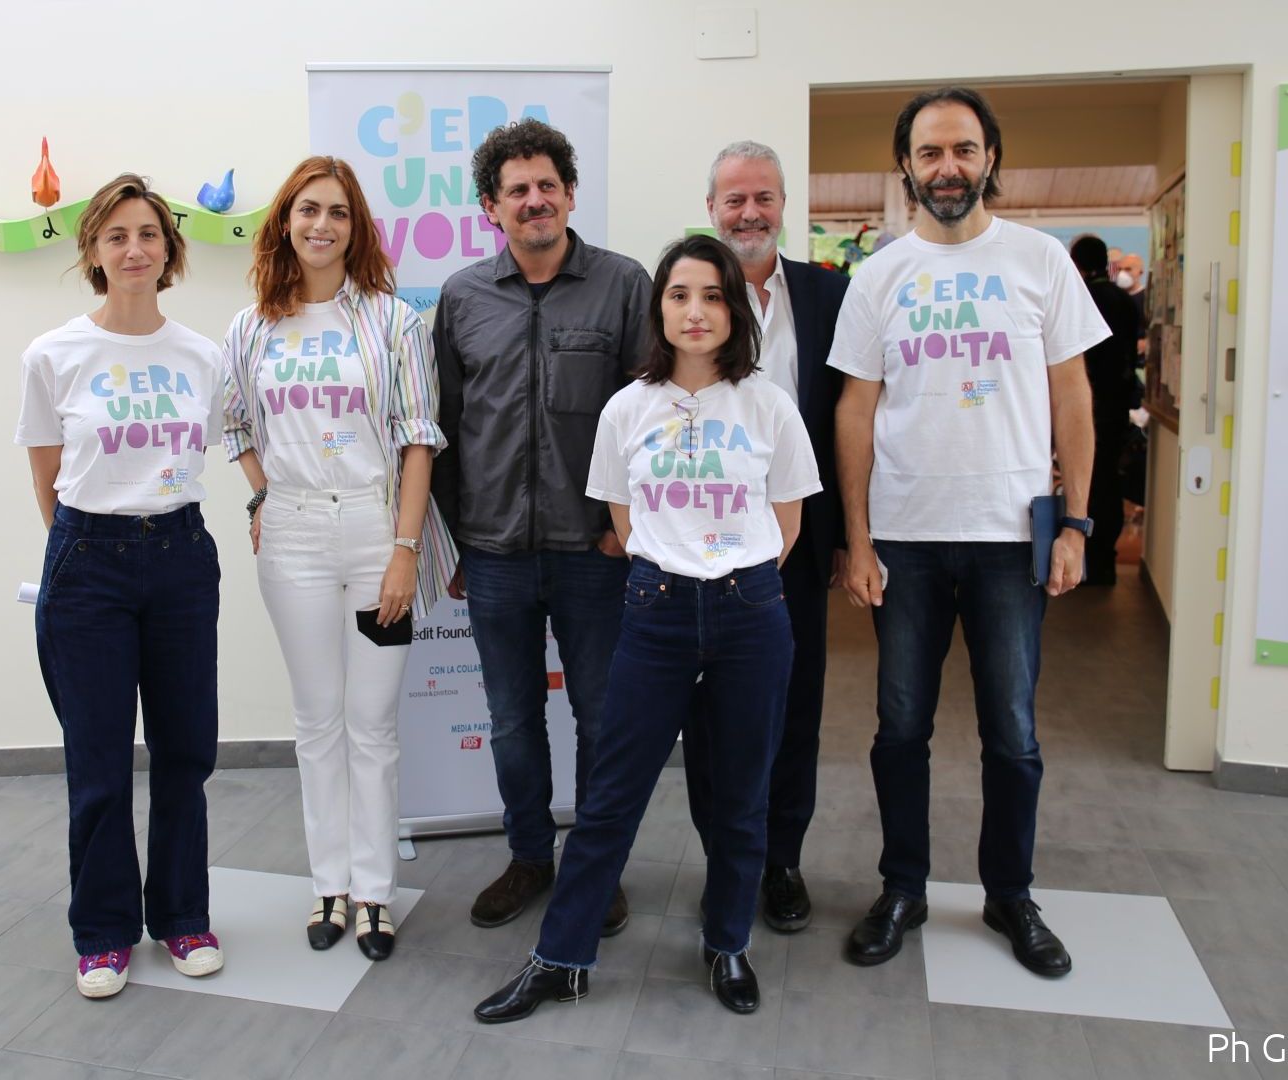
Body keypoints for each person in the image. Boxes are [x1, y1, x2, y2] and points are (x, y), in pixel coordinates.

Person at [473, 235, 820, 1022]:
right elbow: (625, 523)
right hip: (655, 610)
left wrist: (726, 567)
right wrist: (680, 564)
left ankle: (727, 943)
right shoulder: (627, 408)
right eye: (679, 295)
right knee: (610, 797)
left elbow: (788, 523)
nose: (696, 311)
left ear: (734, 310)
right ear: (658, 308)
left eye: (713, 295)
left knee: (740, 796)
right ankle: (561, 958)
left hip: (749, 612)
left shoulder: (768, 404)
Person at [831, 87, 1108, 978]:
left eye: (962, 149)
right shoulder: (879, 277)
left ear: (990, 157)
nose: (946, 167)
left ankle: (1010, 894)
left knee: (1012, 735)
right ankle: (902, 888)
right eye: (929, 152)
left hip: (1008, 540)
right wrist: (859, 539)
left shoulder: (1040, 260)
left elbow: (1073, 396)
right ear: (905, 167)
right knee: (899, 730)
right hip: (905, 540)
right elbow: (855, 411)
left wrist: (1076, 524)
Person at [222, 156, 452, 961]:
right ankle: (330, 884)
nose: (322, 225)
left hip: (375, 532)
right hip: (291, 542)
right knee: (317, 719)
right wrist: (262, 496)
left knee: (373, 723)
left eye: (339, 213)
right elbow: (236, 425)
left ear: (356, 229)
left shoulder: (394, 323)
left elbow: (418, 439)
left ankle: (375, 892)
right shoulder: (251, 327)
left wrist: (404, 551)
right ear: (285, 221)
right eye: (308, 210)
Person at [431, 118, 652, 935]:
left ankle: (595, 867)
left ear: (570, 194)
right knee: (513, 721)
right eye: (517, 190)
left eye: (547, 185)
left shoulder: (624, 284)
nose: (534, 200)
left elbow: (652, 418)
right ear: (492, 207)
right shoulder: (462, 297)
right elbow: (444, 427)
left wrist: (626, 529)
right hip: (493, 554)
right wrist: (457, 538)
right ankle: (529, 856)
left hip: (595, 551)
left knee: (602, 717)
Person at [18, 173, 225, 999]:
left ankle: (181, 916)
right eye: (117, 236)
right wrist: (83, 551)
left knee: (185, 752)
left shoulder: (202, 356)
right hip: (88, 561)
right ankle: (103, 932)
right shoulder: (54, 355)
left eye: (148, 234)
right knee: (98, 759)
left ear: (169, 249)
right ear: (94, 253)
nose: (134, 249)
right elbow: (47, 475)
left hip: (180, 556)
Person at [683, 141, 849, 932]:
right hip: (702, 546)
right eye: (734, 200)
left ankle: (781, 860)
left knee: (794, 708)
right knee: (708, 719)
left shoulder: (829, 295)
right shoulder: (687, 295)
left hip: (796, 544)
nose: (749, 213)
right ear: (711, 209)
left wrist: (848, 536)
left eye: (763, 198)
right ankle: (725, 859)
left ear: (784, 204)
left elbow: (850, 419)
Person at [1069, 234, 1141, 586]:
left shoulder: (1083, 299)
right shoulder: (1123, 299)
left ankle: (1087, 559)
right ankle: (1104, 561)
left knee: (1087, 480)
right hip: (1118, 403)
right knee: (1108, 479)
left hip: (1090, 404)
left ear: (1077, 263)